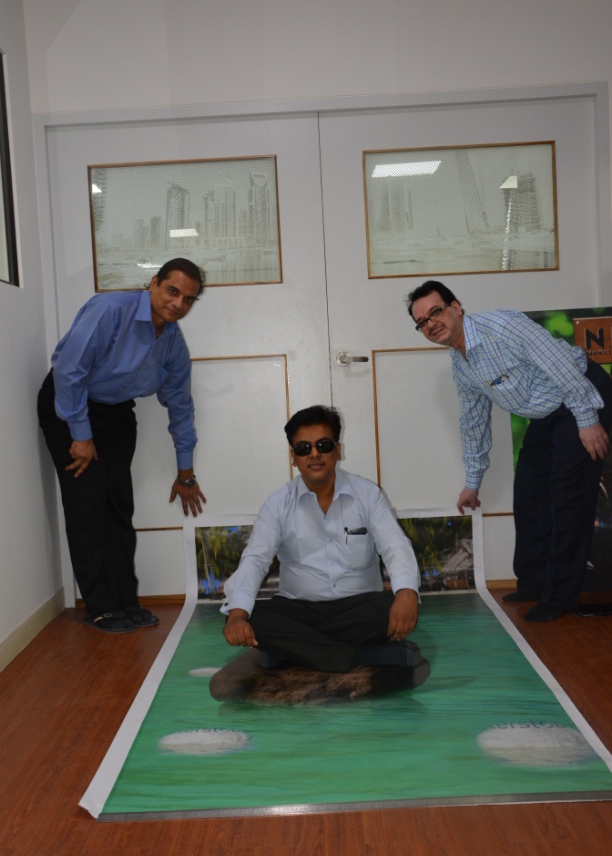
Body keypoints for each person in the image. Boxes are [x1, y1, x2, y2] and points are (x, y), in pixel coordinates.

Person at [407, 280, 612, 622]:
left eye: (436, 311)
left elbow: (562, 363)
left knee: (568, 495)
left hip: (582, 392)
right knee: (529, 491)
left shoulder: (502, 327)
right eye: (422, 322)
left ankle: (559, 597)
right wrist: (472, 483)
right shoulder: (462, 364)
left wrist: (587, 419)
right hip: (546, 412)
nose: (431, 323)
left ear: (456, 307)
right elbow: (473, 421)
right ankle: (534, 582)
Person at [209, 405, 427, 701]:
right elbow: (255, 559)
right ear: (293, 457)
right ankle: (365, 654)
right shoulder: (277, 504)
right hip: (300, 609)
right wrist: (237, 616)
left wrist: (407, 594)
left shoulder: (367, 495)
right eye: (303, 448)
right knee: (252, 616)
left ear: (338, 450)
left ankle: (286, 651)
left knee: (391, 605)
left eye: (323, 445)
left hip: (358, 608)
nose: (314, 454)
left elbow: (394, 545)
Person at [38, 258, 207, 634]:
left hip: (115, 414)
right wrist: (80, 435)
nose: (178, 304)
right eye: (172, 291)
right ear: (154, 283)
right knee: (87, 504)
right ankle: (101, 606)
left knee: (118, 505)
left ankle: (126, 601)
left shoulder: (173, 344)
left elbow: (181, 406)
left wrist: (186, 473)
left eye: (188, 299)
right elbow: (68, 370)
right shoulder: (110, 309)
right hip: (69, 405)